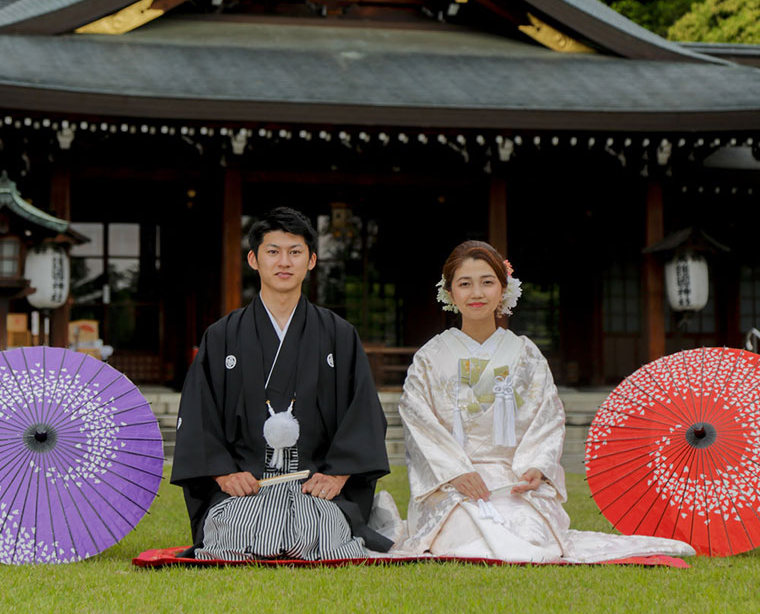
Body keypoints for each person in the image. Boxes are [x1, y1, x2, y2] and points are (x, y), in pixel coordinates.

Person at [393, 240, 695, 562]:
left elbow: (547, 418)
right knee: (462, 539)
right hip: (453, 483)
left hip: (512, 479)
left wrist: (536, 466)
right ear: (450, 292)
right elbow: (418, 421)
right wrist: (454, 472)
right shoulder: (430, 357)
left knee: (533, 538)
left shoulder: (526, 355)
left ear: (503, 289)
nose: (476, 293)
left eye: (487, 282)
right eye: (465, 284)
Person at [170, 207, 392, 560]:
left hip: (313, 484)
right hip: (248, 486)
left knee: (317, 534)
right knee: (235, 534)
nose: (283, 262)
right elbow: (199, 413)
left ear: (312, 260)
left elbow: (363, 410)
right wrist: (225, 474)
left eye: (295, 252)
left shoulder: (338, 334)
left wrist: (338, 476)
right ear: (254, 260)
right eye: (272, 251)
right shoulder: (223, 335)